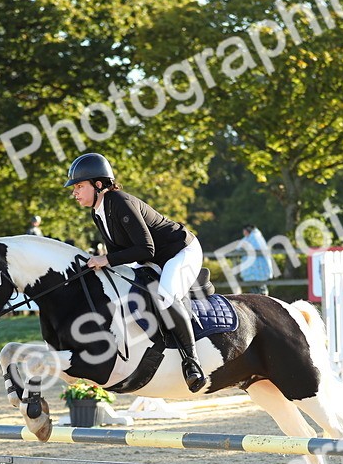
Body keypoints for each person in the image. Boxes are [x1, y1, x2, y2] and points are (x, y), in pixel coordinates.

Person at [65, 152, 206, 392]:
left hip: (180, 251)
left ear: (98, 185)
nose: (74, 193)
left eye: (79, 186)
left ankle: (192, 362)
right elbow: (118, 254)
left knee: (165, 295)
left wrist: (105, 259)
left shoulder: (119, 201)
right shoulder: (97, 212)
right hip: (151, 259)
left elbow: (146, 248)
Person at [236, 225, 277, 295]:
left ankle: (262, 297)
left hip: (257, 266)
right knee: (255, 285)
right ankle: (259, 297)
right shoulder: (250, 238)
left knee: (259, 285)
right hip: (253, 267)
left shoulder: (254, 238)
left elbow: (255, 248)